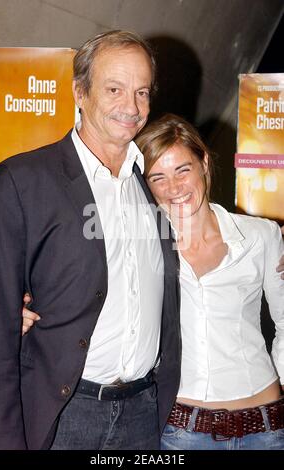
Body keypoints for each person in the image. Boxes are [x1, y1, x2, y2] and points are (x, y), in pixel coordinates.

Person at [0, 31, 181, 450]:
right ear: (80, 91)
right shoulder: (22, 181)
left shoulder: (153, 186)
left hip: (145, 415)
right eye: (114, 89)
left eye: (142, 92)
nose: (131, 107)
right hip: (62, 417)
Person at [134, 113, 284, 450]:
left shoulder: (260, 236)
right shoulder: (141, 247)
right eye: (158, 177)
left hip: (265, 428)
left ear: (203, 161)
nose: (173, 188)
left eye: (182, 170)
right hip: (182, 433)